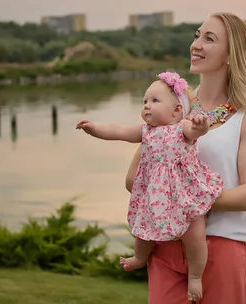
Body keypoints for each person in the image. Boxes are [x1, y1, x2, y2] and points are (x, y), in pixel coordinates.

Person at [125, 12, 246, 304]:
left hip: (225, 246)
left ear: (231, 55)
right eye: (196, 36)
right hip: (166, 244)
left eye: (209, 39)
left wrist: (186, 198)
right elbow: (133, 179)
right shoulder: (174, 110)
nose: (196, 45)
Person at [76, 71, 224, 301]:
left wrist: (200, 126)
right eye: (144, 101)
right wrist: (95, 129)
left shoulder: (181, 128)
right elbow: (118, 131)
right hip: (156, 194)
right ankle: (139, 258)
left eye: (155, 101)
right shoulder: (146, 131)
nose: (147, 106)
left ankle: (195, 276)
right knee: (144, 229)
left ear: (176, 110)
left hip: (183, 193)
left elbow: (195, 132)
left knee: (195, 235)